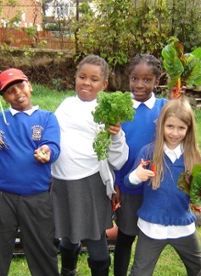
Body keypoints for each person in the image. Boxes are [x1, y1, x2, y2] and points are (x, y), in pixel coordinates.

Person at [51, 55, 129, 275]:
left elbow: (118, 159)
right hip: (61, 180)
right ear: (75, 78)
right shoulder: (66, 105)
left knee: (95, 237)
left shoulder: (107, 111)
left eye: (94, 79)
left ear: (104, 85)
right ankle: (68, 270)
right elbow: (52, 136)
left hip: (90, 182)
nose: (86, 82)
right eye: (82, 77)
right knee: (67, 232)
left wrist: (116, 135)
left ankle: (100, 268)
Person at [0, 68, 60, 276]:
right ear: (4, 97)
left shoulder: (47, 118)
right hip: (1, 197)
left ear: (30, 86)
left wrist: (46, 151)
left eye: (21, 86)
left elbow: (53, 145)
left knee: (43, 250)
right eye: (10, 91)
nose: (18, 93)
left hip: (37, 196)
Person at [124, 98, 201, 276]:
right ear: (161, 125)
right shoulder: (148, 152)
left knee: (197, 266)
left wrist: (199, 198)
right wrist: (136, 176)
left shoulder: (193, 156)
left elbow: (199, 190)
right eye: (170, 126)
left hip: (183, 226)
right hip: (151, 227)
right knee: (140, 271)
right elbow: (128, 183)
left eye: (181, 128)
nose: (174, 133)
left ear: (189, 129)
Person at [111, 54, 168, 276]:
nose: (139, 85)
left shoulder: (165, 107)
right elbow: (111, 150)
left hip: (156, 185)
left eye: (147, 80)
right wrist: (115, 183)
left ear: (157, 80)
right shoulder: (120, 107)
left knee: (149, 238)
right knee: (125, 235)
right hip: (128, 186)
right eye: (135, 78)